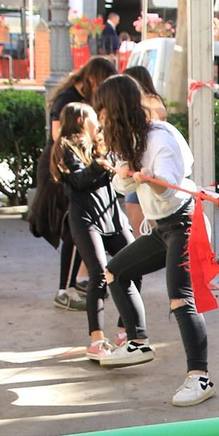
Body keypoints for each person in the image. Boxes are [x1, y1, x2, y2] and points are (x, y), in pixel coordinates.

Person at [93, 75, 214, 402]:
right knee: (115, 272)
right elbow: (122, 185)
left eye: (103, 111)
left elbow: (168, 187)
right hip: (161, 227)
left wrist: (149, 179)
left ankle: (200, 378)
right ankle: (137, 342)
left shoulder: (160, 136)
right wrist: (127, 176)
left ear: (116, 109)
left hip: (184, 222)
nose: (100, 119)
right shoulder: (128, 138)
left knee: (180, 298)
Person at [50, 101, 133, 361]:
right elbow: (78, 180)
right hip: (85, 219)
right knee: (98, 275)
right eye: (92, 116)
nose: (97, 120)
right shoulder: (66, 147)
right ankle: (96, 340)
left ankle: (125, 332)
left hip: (113, 217)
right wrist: (99, 165)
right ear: (79, 120)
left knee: (134, 265)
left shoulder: (102, 144)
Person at [35, 56, 119, 310]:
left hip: (76, 166)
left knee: (75, 232)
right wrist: (91, 161)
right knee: (72, 230)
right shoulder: (67, 103)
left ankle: (72, 283)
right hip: (62, 173)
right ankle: (66, 288)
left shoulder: (83, 102)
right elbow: (59, 135)